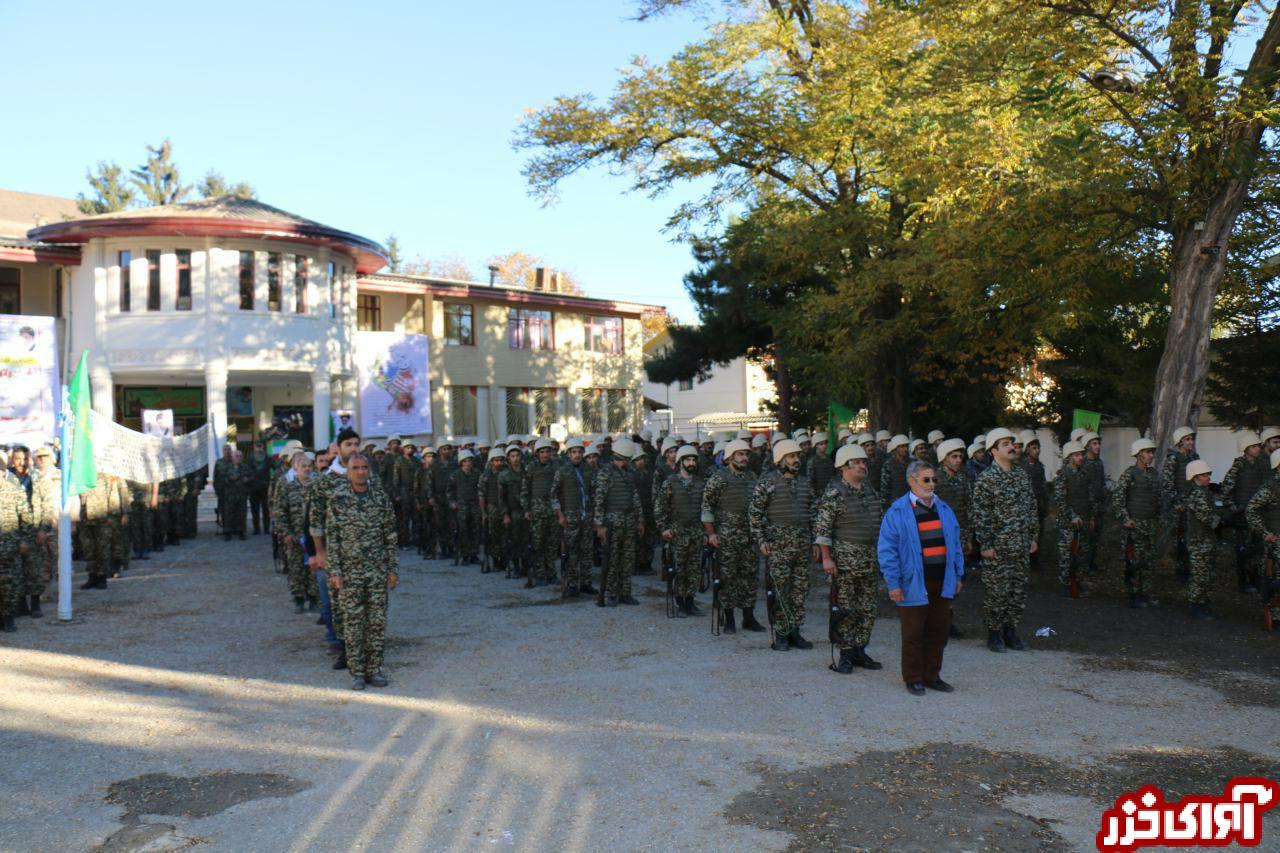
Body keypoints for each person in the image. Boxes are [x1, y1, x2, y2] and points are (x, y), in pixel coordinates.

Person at [878, 459, 964, 696]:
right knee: (913, 633)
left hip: (942, 581)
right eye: (926, 479)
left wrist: (957, 575)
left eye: (934, 479)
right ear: (911, 481)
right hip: (913, 583)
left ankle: (932, 675)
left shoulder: (944, 509)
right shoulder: (897, 511)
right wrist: (893, 583)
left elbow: (955, 545)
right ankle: (913, 678)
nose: (931, 484)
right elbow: (887, 550)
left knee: (938, 632)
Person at [325, 454, 398, 690]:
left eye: (364, 468)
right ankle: (357, 671)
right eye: (355, 468)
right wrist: (334, 570)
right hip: (349, 573)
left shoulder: (380, 498)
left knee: (376, 622)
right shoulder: (338, 499)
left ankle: (373, 669)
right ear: (348, 471)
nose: (360, 472)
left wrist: (392, 569)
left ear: (370, 471)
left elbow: (390, 535)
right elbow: (332, 539)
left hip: (376, 571)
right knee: (353, 623)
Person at [814, 444, 883, 673]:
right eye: (858, 462)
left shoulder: (870, 491)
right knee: (845, 607)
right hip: (845, 560)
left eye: (864, 461)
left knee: (867, 607)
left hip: (869, 558)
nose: (864, 465)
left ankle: (859, 650)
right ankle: (844, 654)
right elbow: (823, 530)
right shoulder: (835, 493)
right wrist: (826, 559)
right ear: (844, 466)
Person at [971, 428, 1038, 652]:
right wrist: (986, 545)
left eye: (1012, 442)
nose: (1012, 447)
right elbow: (980, 515)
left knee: (1018, 592)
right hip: (999, 548)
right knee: (997, 593)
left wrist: (1033, 537)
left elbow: (1031, 508)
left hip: (1020, 545)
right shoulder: (986, 480)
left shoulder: (1021, 475)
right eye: (1005, 444)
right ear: (993, 450)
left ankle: (1011, 632)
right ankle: (994, 634)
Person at [749, 438, 815, 651]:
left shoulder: (805, 482)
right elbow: (755, 514)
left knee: (800, 590)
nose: (797, 460)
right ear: (780, 460)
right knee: (779, 590)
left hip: (802, 544)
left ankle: (795, 630)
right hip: (778, 546)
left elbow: (813, 514)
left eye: (798, 456)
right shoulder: (767, 482)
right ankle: (781, 633)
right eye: (792, 457)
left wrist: (815, 541)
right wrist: (761, 540)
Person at [701, 438, 765, 634]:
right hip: (726, 537)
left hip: (749, 536)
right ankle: (729, 618)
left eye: (746, 454)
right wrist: (711, 534)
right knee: (728, 577)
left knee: (749, 577)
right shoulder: (718, 478)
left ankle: (748, 616)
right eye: (740, 454)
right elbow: (707, 507)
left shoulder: (753, 478)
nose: (745, 458)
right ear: (729, 457)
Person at [654, 445, 707, 617]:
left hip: (696, 532)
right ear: (681, 462)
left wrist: (707, 532)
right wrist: (664, 528)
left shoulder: (701, 483)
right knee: (678, 568)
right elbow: (660, 508)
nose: (691, 463)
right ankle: (680, 602)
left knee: (693, 569)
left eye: (693, 460)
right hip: (677, 532)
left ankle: (690, 602)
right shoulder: (670, 483)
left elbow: (707, 509)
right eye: (688, 460)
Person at [592, 437, 644, 607]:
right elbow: (599, 499)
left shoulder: (629, 473)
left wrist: (640, 520)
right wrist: (599, 525)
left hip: (628, 521)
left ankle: (625, 593)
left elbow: (635, 498)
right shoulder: (605, 472)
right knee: (612, 559)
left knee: (628, 558)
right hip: (612, 522)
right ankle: (612, 593)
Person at [1111, 437, 1161, 608]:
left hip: (1150, 525)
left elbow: (1158, 498)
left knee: (1149, 562)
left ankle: (1145, 593)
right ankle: (1133, 594)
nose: (1151, 455)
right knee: (1134, 562)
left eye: (1152, 452)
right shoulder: (1129, 474)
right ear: (1139, 455)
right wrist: (1126, 519)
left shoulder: (1154, 474)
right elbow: (1117, 499)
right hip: (1134, 526)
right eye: (1148, 452)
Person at [1221, 432, 1268, 593]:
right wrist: (1234, 508)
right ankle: (1244, 583)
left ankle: (1255, 579)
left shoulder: (1260, 464)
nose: (1257, 449)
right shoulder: (1239, 466)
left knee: (1257, 549)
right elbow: (1225, 489)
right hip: (1242, 516)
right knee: (1243, 551)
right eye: (1254, 446)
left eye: (1258, 446)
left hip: (1258, 515)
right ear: (1246, 449)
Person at [1184, 459, 1229, 619]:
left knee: (1207, 574)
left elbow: (1217, 508)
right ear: (1195, 477)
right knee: (1199, 574)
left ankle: (1203, 603)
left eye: (1208, 474)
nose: (1208, 477)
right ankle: (1196, 605)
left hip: (1207, 540)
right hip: (1199, 541)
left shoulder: (1205, 492)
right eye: (1204, 475)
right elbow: (1207, 516)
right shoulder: (1197, 494)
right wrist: (1223, 521)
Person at [551, 438, 596, 597]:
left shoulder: (589, 470)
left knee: (587, 551)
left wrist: (595, 516)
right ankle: (571, 584)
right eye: (574, 452)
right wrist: (560, 515)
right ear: (568, 454)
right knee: (571, 552)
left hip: (586, 517)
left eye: (579, 452)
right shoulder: (561, 471)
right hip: (570, 517)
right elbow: (554, 495)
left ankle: (586, 583)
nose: (577, 455)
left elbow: (594, 493)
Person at [276, 449, 319, 613]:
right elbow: (280, 511)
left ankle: (314, 599)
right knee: (296, 569)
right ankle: (299, 599)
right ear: (296, 468)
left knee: (313, 570)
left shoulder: (317, 488)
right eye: (303, 466)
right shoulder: (288, 487)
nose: (307, 469)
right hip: (294, 537)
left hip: (314, 538)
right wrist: (285, 533)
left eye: (309, 466)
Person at [1053, 440, 1096, 596]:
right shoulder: (1063, 475)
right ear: (1069, 457)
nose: (1080, 458)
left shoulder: (1084, 474)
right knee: (1066, 554)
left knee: (1082, 554)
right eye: (1077, 455)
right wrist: (1072, 516)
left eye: (1081, 455)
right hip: (1068, 523)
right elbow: (1060, 499)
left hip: (1084, 519)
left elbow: (1089, 496)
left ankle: (1077, 583)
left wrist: (1091, 517)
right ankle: (1065, 584)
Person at [76, 472, 129, 590]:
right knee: (88, 549)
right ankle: (92, 576)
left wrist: (112, 515)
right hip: (85, 518)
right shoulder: (82, 473)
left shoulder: (105, 475)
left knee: (103, 549)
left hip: (102, 517)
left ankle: (102, 577)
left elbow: (112, 495)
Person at [1246, 448, 1280, 629]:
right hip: (1276, 542)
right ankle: (1275, 616)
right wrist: (1264, 532)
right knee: (1275, 579)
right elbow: (1251, 509)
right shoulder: (1270, 489)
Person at [1161, 426, 1199, 583]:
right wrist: (1177, 502)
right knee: (1180, 538)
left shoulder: (1194, 457)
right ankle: (1181, 569)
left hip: (1192, 504)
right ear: (1180, 442)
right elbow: (1167, 484)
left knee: (1192, 537)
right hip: (1178, 506)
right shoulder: (1173, 459)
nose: (1191, 442)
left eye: (1192, 439)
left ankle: (1190, 568)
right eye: (1188, 439)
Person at [522, 438, 560, 587]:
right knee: (538, 544)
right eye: (542, 452)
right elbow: (525, 490)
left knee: (551, 544)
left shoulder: (556, 467)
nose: (545, 455)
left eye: (547, 452)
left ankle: (551, 574)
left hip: (552, 511)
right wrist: (526, 509)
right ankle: (539, 574)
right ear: (537, 453)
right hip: (537, 511)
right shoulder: (531, 467)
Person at [0, 469, 32, 631]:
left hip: (10, 546)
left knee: (10, 583)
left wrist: (24, 540)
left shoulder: (13, 490)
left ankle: (9, 618)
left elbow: (25, 517)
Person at [448, 448, 482, 564]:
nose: (468, 463)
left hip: (475, 505)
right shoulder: (455, 474)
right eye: (465, 461)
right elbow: (450, 490)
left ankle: (474, 554)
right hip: (461, 506)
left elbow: (481, 489)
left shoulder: (477, 473)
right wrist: (452, 502)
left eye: (470, 461)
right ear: (461, 462)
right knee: (463, 531)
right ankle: (465, 554)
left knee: (475, 530)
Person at [478, 448, 507, 572]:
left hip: (505, 509)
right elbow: (481, 495)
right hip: (492, 508)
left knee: (505, 536)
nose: (499, 463)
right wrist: (484, 513)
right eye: (496, 460)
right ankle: (495, 561)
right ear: (491, 462)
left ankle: (504, 560)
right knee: (494, 536)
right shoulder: (485, 476)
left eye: (501, 460)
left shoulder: (506, 473)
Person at [221, 449, 250, 541]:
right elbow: (222, 478)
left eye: (240, 456)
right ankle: (228, 532)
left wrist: (247, 479)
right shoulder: (227, 467)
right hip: (230, 495)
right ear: (232, 457)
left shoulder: (245, 467)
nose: (239, 458)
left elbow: (252, 476)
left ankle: (241, 531)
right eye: (237, 456)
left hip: (241, 494)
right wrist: (230, 479)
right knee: (229, 514)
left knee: (241, 514)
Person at [879, 435, 910, 509]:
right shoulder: (888, 465)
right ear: (896, 448)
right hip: (896, 503)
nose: (905, 449)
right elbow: (885, 488)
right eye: (902, 447)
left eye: (906, 446)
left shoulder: (913, 463)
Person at [248, 440, 271, 535]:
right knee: (255, 509)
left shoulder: (268, 457)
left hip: (265, 487)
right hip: (253, 488)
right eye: (257, 446)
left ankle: (266, 528)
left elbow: (276, 466)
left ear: (263, 447)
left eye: (260, 446)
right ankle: (256, 528)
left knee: (266, 509)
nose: (259, 448)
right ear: (254, 447)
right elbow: (247, 470)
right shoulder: (250, 457)